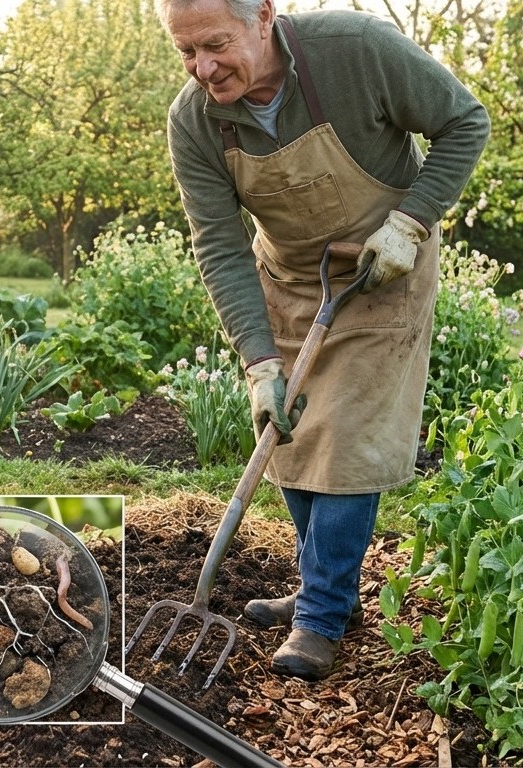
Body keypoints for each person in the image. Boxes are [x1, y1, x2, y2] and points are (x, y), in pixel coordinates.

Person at [155, 0, 489, 681]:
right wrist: (257, 360)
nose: (203, 67)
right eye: (186, 52)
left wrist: (409, 222)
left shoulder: (353, 49)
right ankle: (321, 591)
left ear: (264, 17)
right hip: (289, 278)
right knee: (293, 433)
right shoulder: (195, 120)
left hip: (381, 267)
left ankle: (321, 618)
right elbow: (218, 246)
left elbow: (464, 122)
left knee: (345, 441)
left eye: (215, 44)